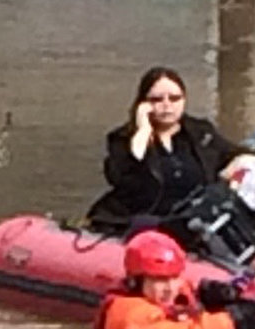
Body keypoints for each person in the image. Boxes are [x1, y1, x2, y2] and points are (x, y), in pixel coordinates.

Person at [88, 66, 245, 233]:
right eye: (157, 99)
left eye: (175, 98)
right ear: (143, 104)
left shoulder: (201, 133)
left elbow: (234, 154)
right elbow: (121, 179)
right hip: (140, 221)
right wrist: (143, 130)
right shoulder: (122, 140)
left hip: (192, 222)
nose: (167, 105)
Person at [94, 227, 241, 329]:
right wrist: (233, 319)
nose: (170, 288)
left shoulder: (165, 294)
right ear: (136, 282)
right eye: (160, 280)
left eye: (174, 277)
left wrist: (203, 293)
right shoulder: (128, 318)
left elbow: (184, 289)